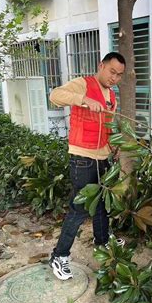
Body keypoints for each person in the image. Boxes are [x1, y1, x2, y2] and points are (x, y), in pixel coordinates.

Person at [48, 52, 126, 280]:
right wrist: (83, 100)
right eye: (112, 72)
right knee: (79, 208)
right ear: (101, 66)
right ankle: (59, 256)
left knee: (102, 201)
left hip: (103, 156)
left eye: (119, 75)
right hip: (82, 157)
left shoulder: (111, 95)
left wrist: (114, 146)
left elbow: (108, 124)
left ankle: (102, 240)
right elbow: (55, 95)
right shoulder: (83, 84)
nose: (114, 78)